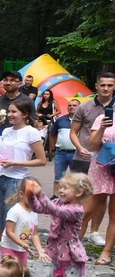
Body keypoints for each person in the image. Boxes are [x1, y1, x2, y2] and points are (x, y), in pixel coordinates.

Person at [26, 176, 94, 277]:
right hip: (57, 256)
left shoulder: (76, 209)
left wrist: (40, 192)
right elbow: (40, 208)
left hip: (72, 259)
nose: (61, 190)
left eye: (66, 188)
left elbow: (56, 211)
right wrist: (30, 195)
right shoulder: (59, 202)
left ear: (78, 192)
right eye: (60, 187)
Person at [0, 100, 46, 244]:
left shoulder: (31, 132)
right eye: (9, 112)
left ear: (24, 114)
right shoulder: (6, 131)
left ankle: (15, 251)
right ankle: (4, 251)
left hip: (17, 180)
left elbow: (41, 160)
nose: (10, 115)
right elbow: (3, 156)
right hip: (0, 177)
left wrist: (15, 163)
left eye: (13, 112)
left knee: (12, 217)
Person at [72, 73, 115, 247]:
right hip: (84, 156)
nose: (106, 88)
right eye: (102, 85)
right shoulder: (85, 107)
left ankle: (95, 232)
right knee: (85, 199)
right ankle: (73, 240)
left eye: (110, 85)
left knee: (104, 201)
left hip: (109, 162)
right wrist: (80, 147)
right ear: (96, 86)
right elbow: (74, 132)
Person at [86, 98, 115, 264]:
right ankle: (71, 247)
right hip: (100, 166)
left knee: (114, 214)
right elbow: (92, 145)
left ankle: (107, 251)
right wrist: (103, 128)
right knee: (87, 210)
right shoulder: (102, 118)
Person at [0, 178, 46, 267]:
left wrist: (40, 250)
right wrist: (22, 244)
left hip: (23, 249)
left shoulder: (34, 213)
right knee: (9, 272)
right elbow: (9, 232)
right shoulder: (15, 211)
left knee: (21, 273)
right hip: (9, 248)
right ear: (21, 194)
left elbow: (34, 234)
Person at [52, 98, 80, 182]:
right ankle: (56, 195)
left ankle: (76, 195)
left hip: (76, 153)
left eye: (74, 105)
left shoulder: (84, 121)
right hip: (61, 153)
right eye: (69, 105)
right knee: (58, 178)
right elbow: (52, 134)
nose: (71, 107)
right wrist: (52, 148)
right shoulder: (60, 120)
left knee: (77, 179)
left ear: (80, 107)